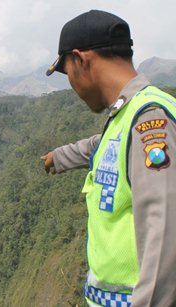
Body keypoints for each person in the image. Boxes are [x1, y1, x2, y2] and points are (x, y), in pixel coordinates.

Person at [42, 10, 176, 307]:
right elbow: (104, 146)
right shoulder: (128, 116)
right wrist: (61, 156)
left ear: (81, 59)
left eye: (66, 72)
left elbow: (166, 237)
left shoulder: (151, 121)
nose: (71, 84)